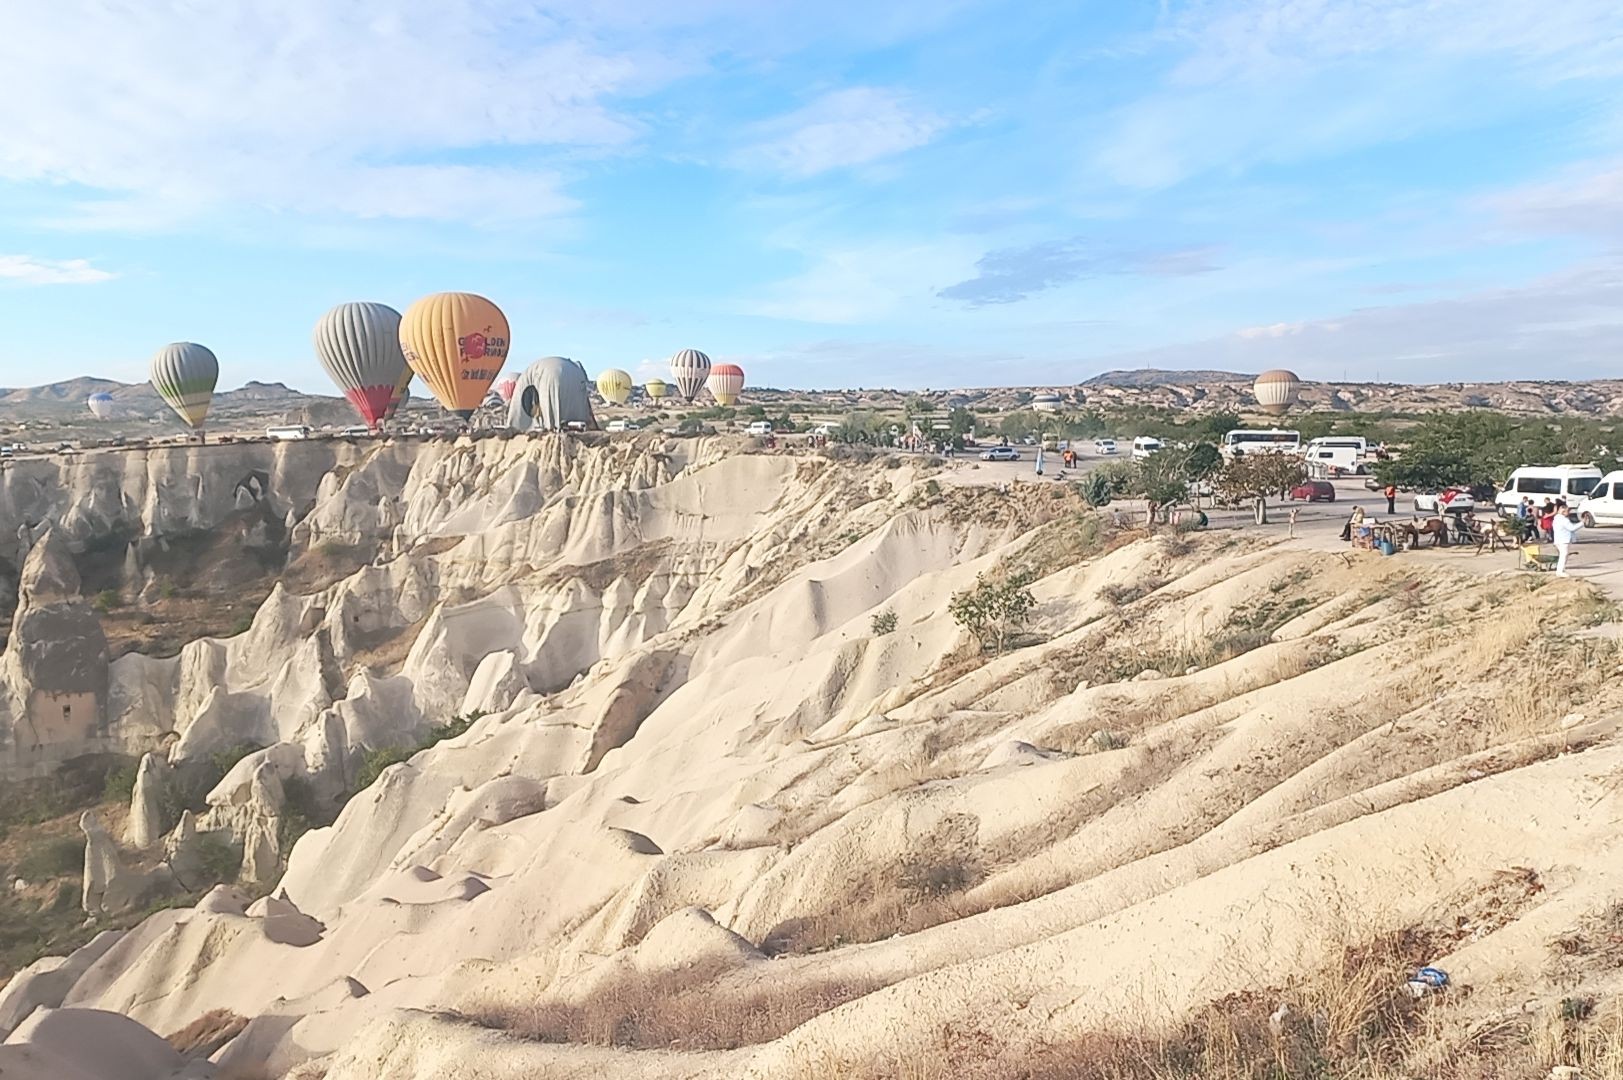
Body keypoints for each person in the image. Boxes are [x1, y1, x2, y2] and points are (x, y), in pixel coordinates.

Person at [1553, 506, 1581, 576]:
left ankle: (1560, 570)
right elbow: (1572, 528)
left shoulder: (1556, 519)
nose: (1568, 513)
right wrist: (1582, 523)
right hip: (1564, 540)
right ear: (1563, 512)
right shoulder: (1563, 520)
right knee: (1563, 555)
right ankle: (1560, 571)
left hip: (1558, 540)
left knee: (1563, 555)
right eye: (1567, 511)